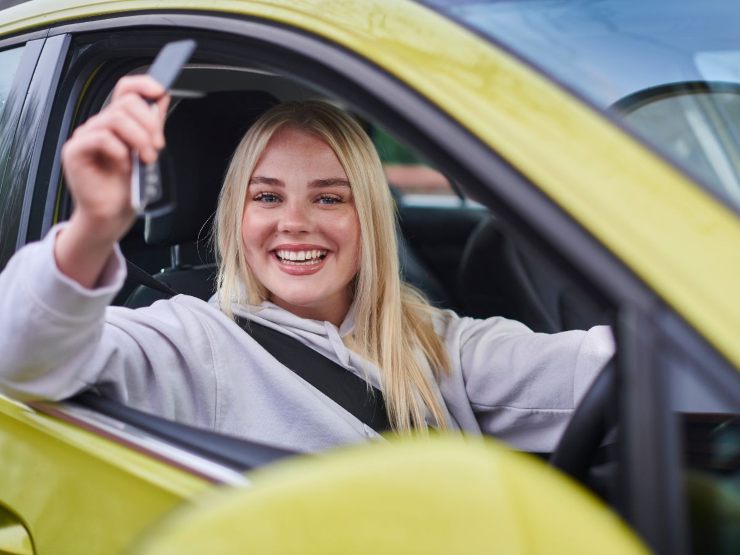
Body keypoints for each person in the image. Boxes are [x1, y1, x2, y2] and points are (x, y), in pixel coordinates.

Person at [0, 76, 614, 453]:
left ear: (368, 218)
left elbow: (596, 371)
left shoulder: (429, 341)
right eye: (267, 196)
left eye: (328, 197)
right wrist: (91, 231)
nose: (295, 222)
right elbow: (19, 359)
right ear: (235, 217)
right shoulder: (190, 341)